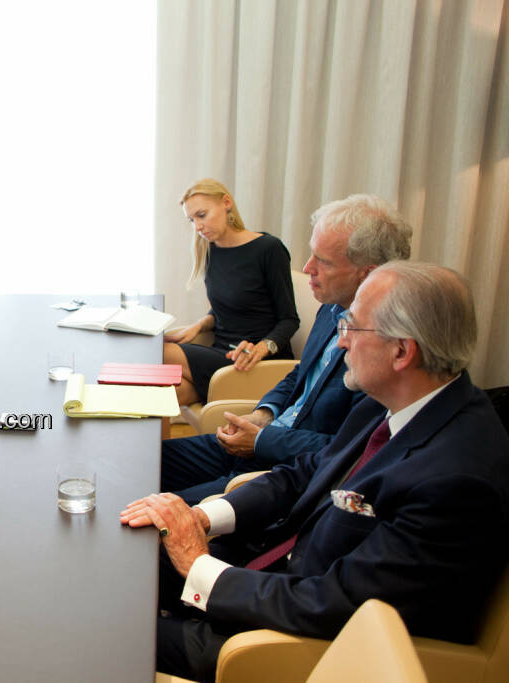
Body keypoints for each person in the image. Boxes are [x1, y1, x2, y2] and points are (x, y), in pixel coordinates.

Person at [122, 261, 509, 682]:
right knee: (124, 562)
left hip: (295, 639)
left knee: (110, 626)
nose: (341, 344)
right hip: (272, 573)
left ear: (401, 351)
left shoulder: (456, 481)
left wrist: (198, 565)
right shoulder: (391, 402)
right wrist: (203, 516)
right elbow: (302, 474)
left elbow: (337, 603)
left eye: (353, 329)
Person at [162, 194, 412, 502]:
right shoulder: (332, 308)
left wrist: (264, 440)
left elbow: (347, 450)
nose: (307, 268)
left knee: (149, 510)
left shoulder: (383, 349)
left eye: (324, 261)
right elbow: (299, 375)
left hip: (283, 471)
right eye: (312, 255)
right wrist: (264, 414)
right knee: (142, 463)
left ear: (367, 273)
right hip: (258, 442)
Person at [165, 179, 299, 406]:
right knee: (170, 394)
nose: (197, 226)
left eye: (202, 215)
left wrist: (262, 348)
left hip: (256, 361)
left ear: (226, 203)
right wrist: (199, 325)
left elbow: (289, 319)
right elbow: (226, 308)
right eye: (191, 220)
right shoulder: (211, 251)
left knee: (158, 353)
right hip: (224, 354)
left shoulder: (268, 249)